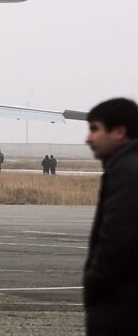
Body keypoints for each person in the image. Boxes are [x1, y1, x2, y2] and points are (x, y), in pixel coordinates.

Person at [83, 98, 138, 335]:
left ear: (118, 132)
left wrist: (94, 285)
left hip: (121, 308)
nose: (88, 138)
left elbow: (117, 240)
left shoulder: (127, 172)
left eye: (95, 129)